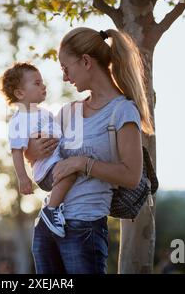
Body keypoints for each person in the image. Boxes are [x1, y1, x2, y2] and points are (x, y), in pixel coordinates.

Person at [24, 27, 155, 274]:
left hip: (85, 231)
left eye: (65, 68)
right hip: (47, 226)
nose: (64, 77)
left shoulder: (122, 111)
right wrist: (31, 149)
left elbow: (131, 176)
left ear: (85, 61)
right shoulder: (67, 112)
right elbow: (36, 157)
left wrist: (81, 163)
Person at [0, 62, 78, 238]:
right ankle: (51, 210)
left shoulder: (45, 113)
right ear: (20, 93)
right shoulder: (19, 120)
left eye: (42, 82)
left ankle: (57, 205)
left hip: (57, 161)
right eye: (37, 83)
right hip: (45, 170)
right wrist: (22, 177)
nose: (44, 86)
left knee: (75, 167)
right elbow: (17, 151)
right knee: (70, 173)